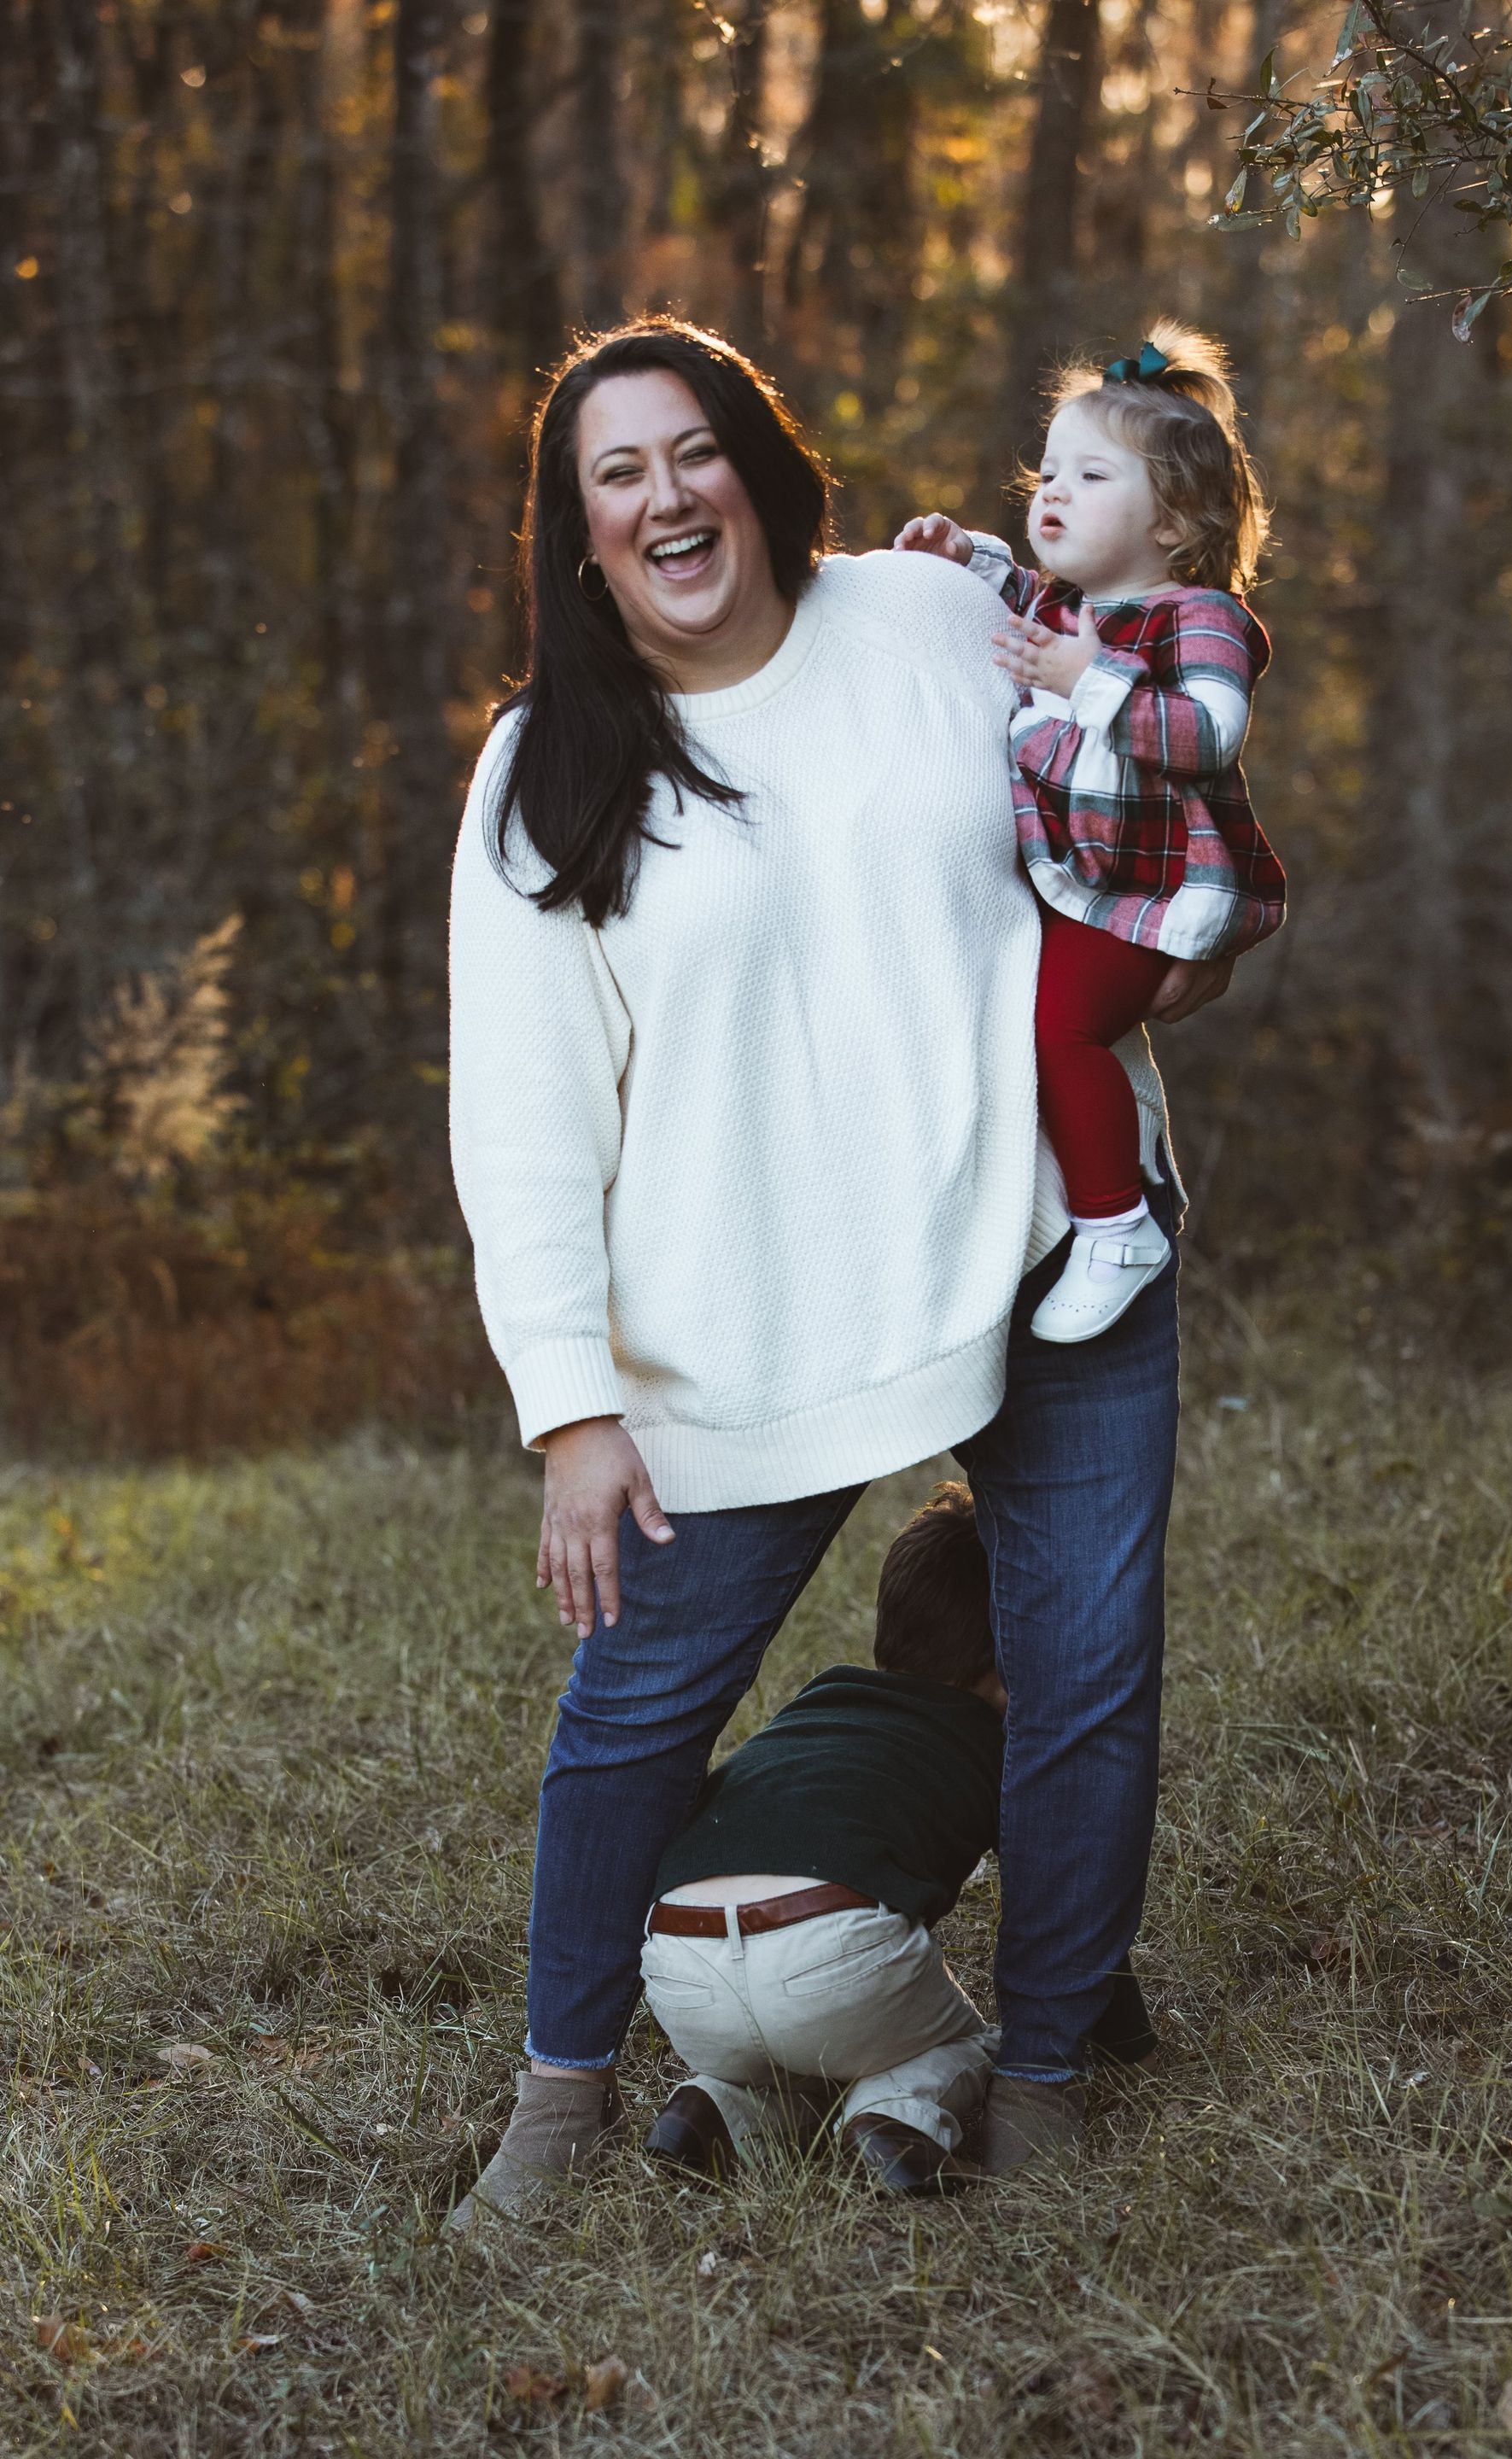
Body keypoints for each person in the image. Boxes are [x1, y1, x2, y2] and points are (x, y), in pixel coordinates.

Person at [444, 318, 1233, 2236]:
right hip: (745, 1323)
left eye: (693, 451)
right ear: (577, 529)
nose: (665, 497)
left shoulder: (928, 620)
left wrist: (1183, 934)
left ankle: (1041, 2077)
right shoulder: (551, 768)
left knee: (1080, 1684)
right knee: (630, 1712)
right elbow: (526, 1122)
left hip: (1049, 1254)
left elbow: (1129, 793)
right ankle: (558, 2101)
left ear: (760, 467)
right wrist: (571, 1409)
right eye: (616, 473)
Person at [896, 319, 1285, 1346]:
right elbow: (1014, 597)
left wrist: (1089, 681)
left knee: (1056, 1029)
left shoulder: (1196, 614)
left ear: (1174, 522)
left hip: (1155, 893)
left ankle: (1116, 1224)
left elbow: (1209, 731)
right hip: (1086, 884)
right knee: (1025, 1023)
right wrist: (960, 555)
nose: (1053, 493)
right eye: (1049, 472)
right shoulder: (1072, 604)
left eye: (1091, 476)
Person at [639, 1483, 1159, 2200]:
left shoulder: (817, 1704)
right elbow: (1065, 1890)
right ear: (1015, 1656)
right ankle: (895, 2119)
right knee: (975, 2044)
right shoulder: (998, 1744)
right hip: (832, 1943)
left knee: (806, 2053)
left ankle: (716, 2107)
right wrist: (1126, 2038)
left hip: (677, 1960)